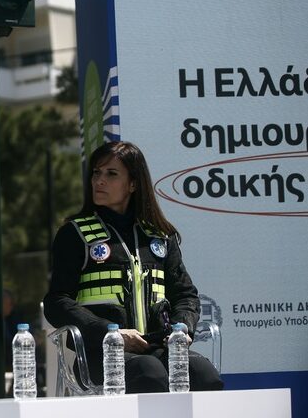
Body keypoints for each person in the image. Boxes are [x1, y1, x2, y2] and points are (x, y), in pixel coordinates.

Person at [43, 140, 223, 393]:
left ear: (133, 184)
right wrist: (110, 333)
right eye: (96, 172)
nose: (99, 180)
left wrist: (181, 329)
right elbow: (57, 301)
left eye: (111, 174)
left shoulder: (160, 236)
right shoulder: (75, 234)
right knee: (150, 373)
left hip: (158, 348)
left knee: (205, 376)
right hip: (102, 352)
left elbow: (185, 295)